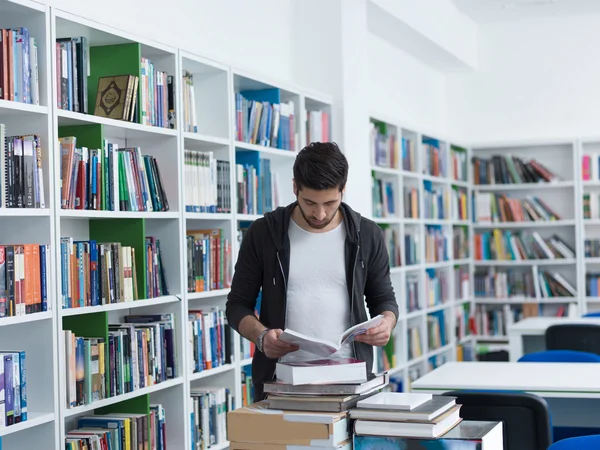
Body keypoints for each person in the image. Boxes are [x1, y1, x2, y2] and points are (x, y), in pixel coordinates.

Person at [225, 141, 399, 401]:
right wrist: (261, 337)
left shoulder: (367, 235)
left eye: (330, 202)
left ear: (343, 190)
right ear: (295, 187)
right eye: (309, 202)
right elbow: (237, 306)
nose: (319, 213)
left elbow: (384, 299)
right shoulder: (263, 233)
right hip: (280, 380)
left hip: (350, 379)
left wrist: (387, 323)